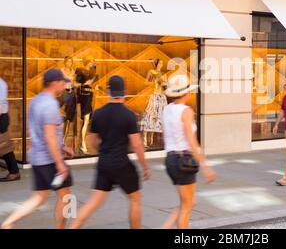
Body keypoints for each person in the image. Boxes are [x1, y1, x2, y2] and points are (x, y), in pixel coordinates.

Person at [71, 75, 150, 229]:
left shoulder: (99, 113)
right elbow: (137, 144)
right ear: (124, 92)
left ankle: (73, 227)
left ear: (108, 91)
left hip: (104, 164)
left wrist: (104, 151)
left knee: (93, 202)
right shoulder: (128, 115)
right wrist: (145, 167)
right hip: (122, 164)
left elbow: (92, 142)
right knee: (135, 199)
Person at [1, 69, 74, 229]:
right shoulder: (50, 105)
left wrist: (62, 147)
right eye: (62, 82)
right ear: (54, 83)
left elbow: (41, 131)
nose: (64, 85)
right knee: (68, 197)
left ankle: (7, 223)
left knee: (39, 198)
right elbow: (49, 136)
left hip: (38, 158)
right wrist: (60, 163)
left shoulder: (35, 101)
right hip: (50, 159)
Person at [162, 74, 215, 229]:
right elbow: (192, 141)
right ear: (186, 93)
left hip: (170, 160)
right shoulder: (186, 111)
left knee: (188, 202)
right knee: (187, 205)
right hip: (183, 160)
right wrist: (205, 166)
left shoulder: (166, 110)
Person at [0, 76, 20, 182]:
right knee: (4, 146)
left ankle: (14, 172)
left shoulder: (1, 84)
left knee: (5, 146)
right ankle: (14, 171)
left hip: (1, 117)